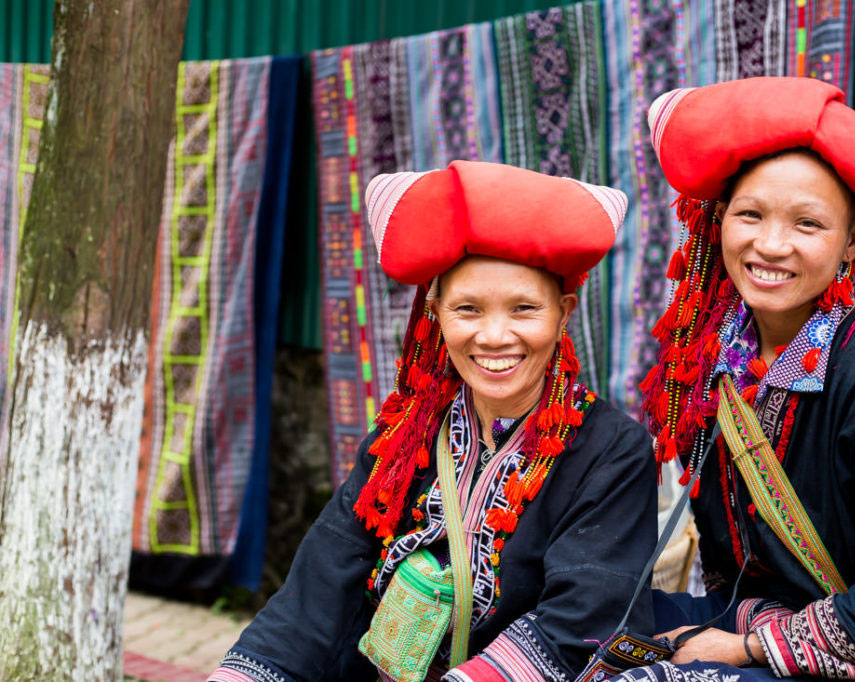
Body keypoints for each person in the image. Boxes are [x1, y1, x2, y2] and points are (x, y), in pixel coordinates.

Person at [206, 160, 658, 682]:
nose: (493, 337)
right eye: (468, 309)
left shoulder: (612, 451)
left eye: (523, 309)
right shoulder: (405, 440)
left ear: (563, 313)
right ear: (436, 314)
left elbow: (585, 620)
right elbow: (323, 582)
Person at [616, 77, 855, 680]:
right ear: (718, 224)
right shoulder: (717, 361)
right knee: (589, 625)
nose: (770, 244)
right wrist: (727, 626)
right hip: (763, 619)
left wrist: (743, 648)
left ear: (851, 242)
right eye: (750, 214)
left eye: (807, 224)